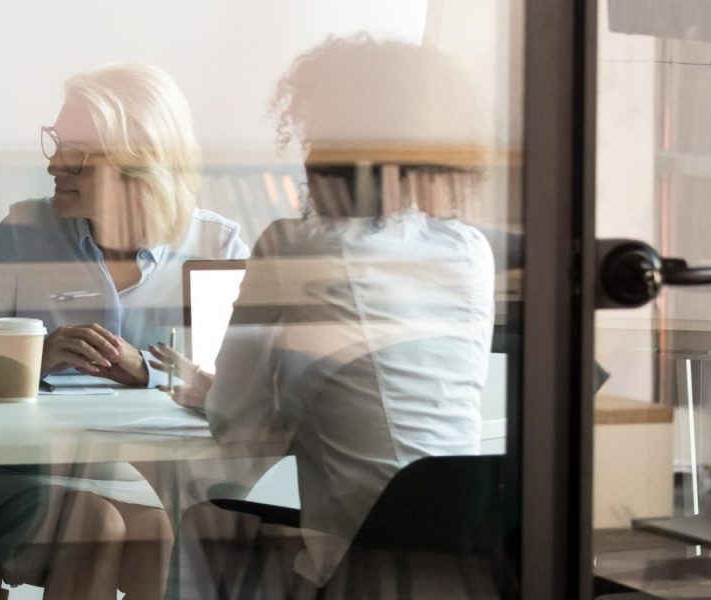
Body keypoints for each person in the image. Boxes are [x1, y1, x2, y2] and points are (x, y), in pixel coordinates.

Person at [162, 35, 499, 597]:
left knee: (205, 521)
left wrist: (218, 395)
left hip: (362, 569)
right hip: (460, 563)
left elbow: (237, 422)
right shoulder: (469, 250)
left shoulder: (295, 247)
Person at [0, 63, 247, 600]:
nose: (54, 166)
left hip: (146, 474)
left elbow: (234, 386)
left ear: (140, 164)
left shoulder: (216, 245)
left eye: (78, 155)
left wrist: (149, 371)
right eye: (57, 145)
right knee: (98, 528)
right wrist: (29, 358)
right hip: (19, 466)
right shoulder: (26, 231)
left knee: (150, 532)